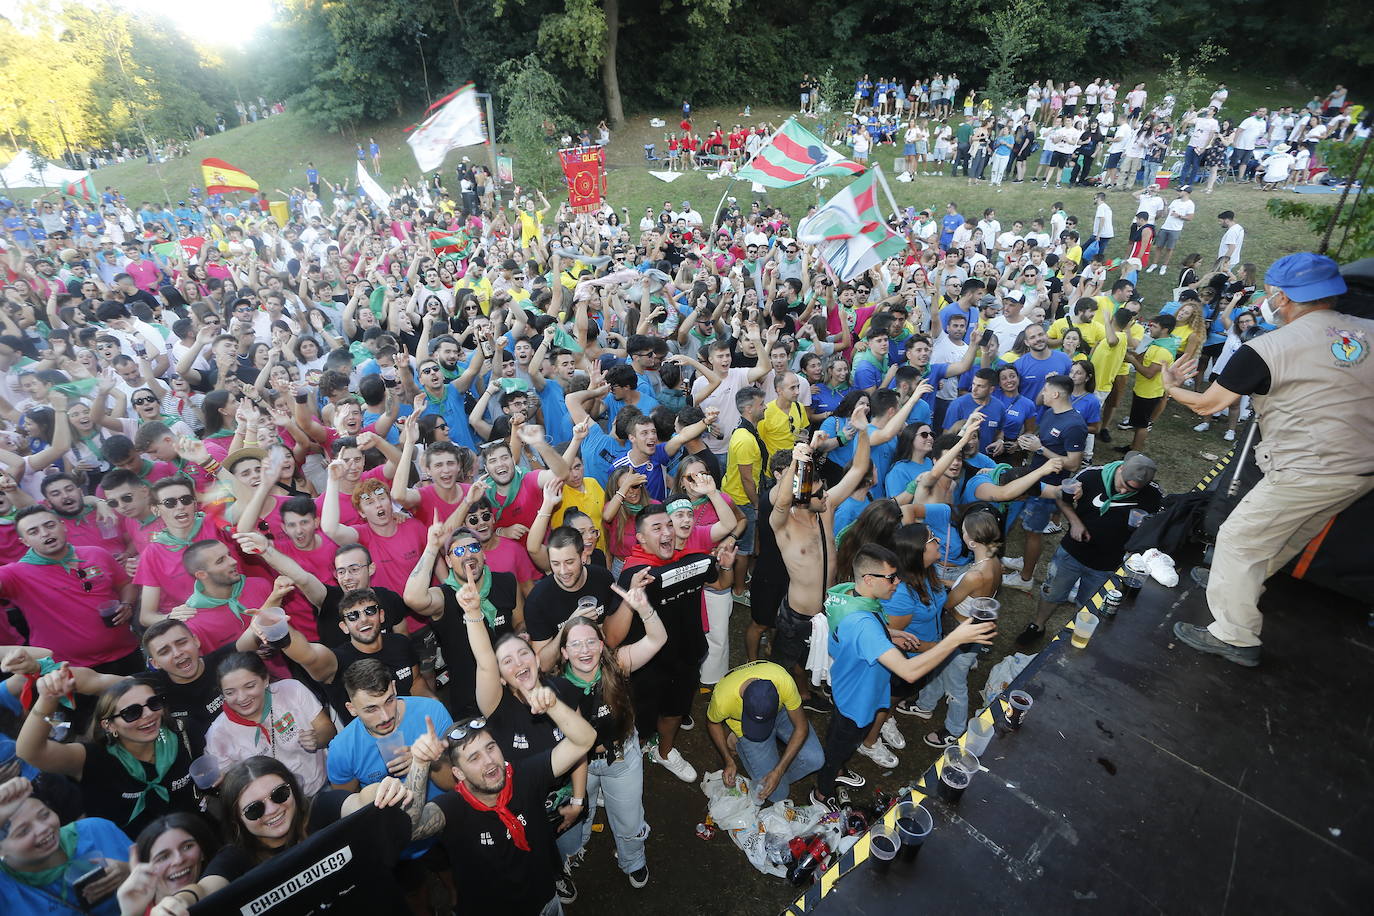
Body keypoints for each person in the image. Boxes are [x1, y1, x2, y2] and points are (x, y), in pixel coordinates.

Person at [1164, 254, 1374, 667]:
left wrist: (1171, 387)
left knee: (1238, 540)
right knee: (1292, 532)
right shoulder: (1368, 330)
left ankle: (1234, 635)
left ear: (1281, 297)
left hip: (1309, 468)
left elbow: (1209, 404)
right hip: (1361, 471)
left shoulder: (1266, 348)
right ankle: (1245, 583)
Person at [813, 545, 994, 807]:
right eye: (891, 578)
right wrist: (956, 639)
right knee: (839, 747)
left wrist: (888, 634)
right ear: (868, 579)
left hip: (855, 689)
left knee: (840, 743)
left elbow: (860, 626)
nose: (897, 582)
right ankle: (823, 791)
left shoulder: (846, 595)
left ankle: (838, 769)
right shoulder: (863, 626)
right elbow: (908, 671)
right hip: (857, 703)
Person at [399, 679, 596, 915]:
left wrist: (553, 705)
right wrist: (420, 764)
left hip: (546, 901)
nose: (489, 760)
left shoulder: (523, 775)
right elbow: (409, 830)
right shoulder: (451, 808)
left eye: (490, 748)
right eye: (474, 758)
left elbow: (584, 740)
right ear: (458, 773)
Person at [550, 579, 666, 888]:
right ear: (564, 652)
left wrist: (644, 609)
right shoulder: (554, 689)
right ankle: (575, 850)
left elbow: (657, 640)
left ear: (602, 644)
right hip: (578, 767)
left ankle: (632, 859)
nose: (584, 650)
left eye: (591, 641)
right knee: (576, 813)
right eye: (575, 644)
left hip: (622, 759)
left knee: (628, 817)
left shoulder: (618, 664)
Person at [17, 671, 198, 836]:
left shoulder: (179, 732)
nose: (149, 714)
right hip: (135, 862)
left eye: (153, 703)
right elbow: (30, 752)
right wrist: (48, 699)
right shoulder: (93, 758)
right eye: (131, 712)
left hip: (198, 838)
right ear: (109, 725)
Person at [1016, 453, 1165, 645]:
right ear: (1120, 469)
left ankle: (1076, 637)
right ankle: (1037, 625)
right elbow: (1062, 497)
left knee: (1089, 605)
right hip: (1071, 553)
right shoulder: (1091, 476)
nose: (1122, 490)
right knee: (1052, 592)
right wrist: (1075, 522)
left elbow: (1157, 527)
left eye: (1131, 490)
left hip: (1108, 563)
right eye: (1124, 484)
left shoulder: (1153, 495)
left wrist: (1143, 530)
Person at [204, 649, 334, 796]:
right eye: (230, 692)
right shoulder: (218, 733)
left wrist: (317, 738)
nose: (241, 698)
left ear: (265, 680)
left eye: (249, 686)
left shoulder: (292, 690)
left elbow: (327, 728)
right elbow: (228, 784)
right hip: (273, 807)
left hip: (321, 787)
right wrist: (225, 781)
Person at [0, 775, 133, 915]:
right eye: (23, 831)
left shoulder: (95, 830)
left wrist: (129, 870)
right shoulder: (4, 886)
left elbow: (155, 873)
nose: (42, 828)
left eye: (44, 815)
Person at [706, 660, 822, 805]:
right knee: (778, 794)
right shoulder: (723, 698)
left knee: (816, 759)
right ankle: (737, 741)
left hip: (781, 711)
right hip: (742, 724)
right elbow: (712, 723)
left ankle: (775, 776)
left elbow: (801, 727)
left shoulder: (783, 680)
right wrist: (728, 760)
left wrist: (778, 772)